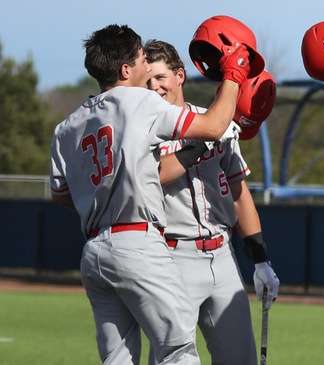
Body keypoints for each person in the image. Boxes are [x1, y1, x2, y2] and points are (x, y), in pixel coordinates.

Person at [49, 24, 251, 364]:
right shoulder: (137, 101)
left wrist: (102, 197)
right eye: (142, 58)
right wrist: (232, 75)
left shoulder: (68, 125)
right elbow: (214, 126)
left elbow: (61, 195)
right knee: (177, 350)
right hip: (137, 242)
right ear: (126, 70)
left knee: (118, 359)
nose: (146, 66)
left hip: (95, 250)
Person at [144, 39, 279, 365]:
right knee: (170, 359)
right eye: (147, 81)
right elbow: (158, 174)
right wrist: (204, 142)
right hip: (172, 256)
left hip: (222, 255)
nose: (154, 87)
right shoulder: (144, 128)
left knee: (240, 358)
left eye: (160, 77)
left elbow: (239, 192)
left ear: (180, 76)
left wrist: (260, 258)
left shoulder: (213, 118)